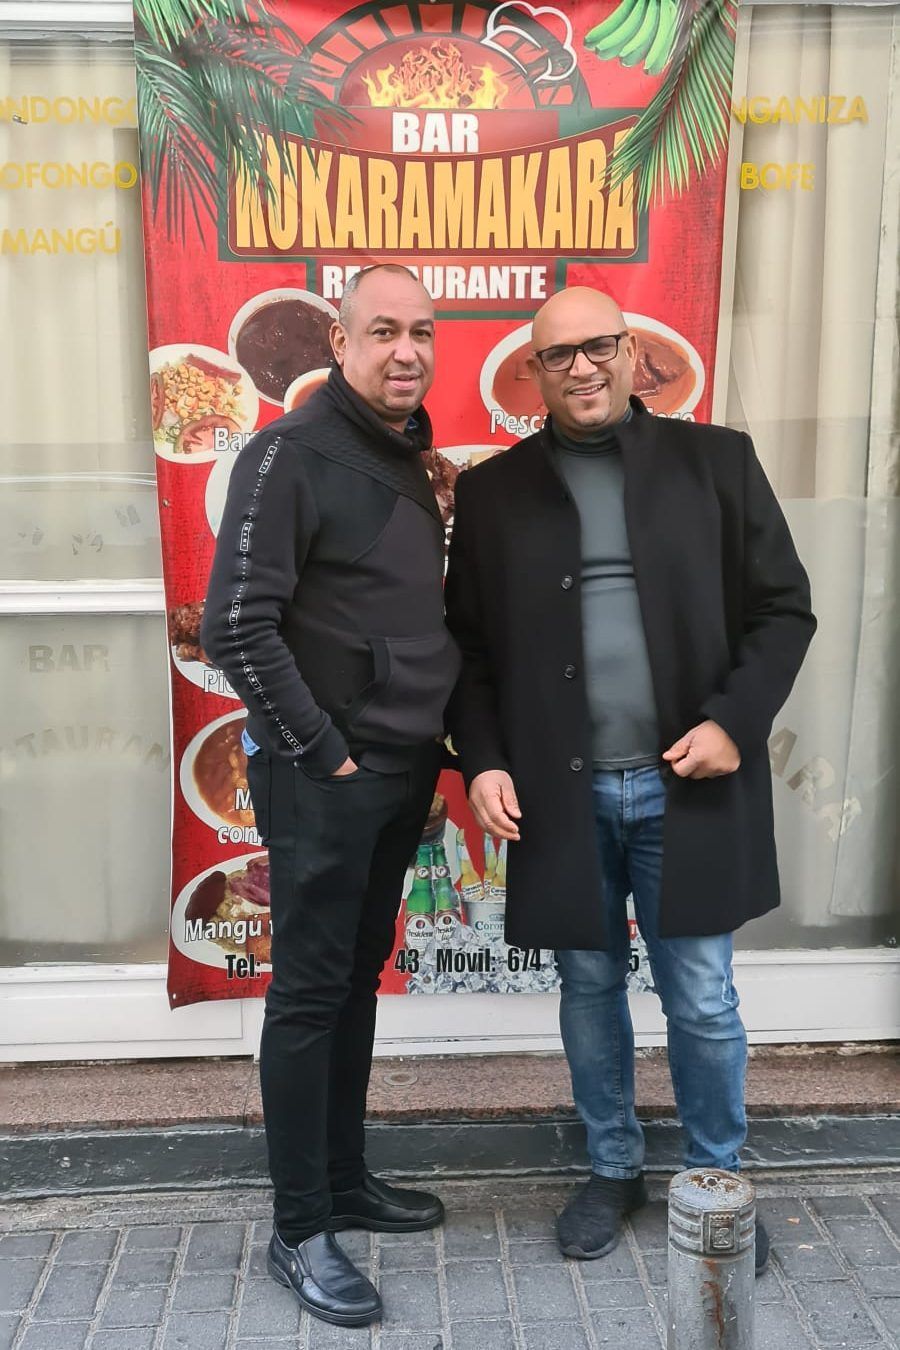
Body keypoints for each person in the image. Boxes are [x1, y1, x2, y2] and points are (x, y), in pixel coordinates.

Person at [444, 287, 816, 1271]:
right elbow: (467, 650)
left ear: (630, 351)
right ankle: (613, 1170)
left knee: (702, 996)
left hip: (686, 787)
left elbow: (784, 609)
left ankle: (717, 1184)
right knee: (589, 986)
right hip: (560, 794)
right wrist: (483, 759)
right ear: (534, 373)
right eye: (557, 354)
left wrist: (734, 721)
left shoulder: (716, 462)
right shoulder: (493, 493)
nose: (581, 367)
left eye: (597, 346)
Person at [201, 264, 460, 1328]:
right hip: (326, 776)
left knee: (355, 981)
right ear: (340, 343)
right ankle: (300, 1225)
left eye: (422, 332)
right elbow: (233, 624)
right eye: (383, 331)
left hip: (398, 771)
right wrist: (325, 751)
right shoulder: (288, 453)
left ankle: (345, 1180)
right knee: (310, 996)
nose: (407, 350)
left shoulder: (401, 455)